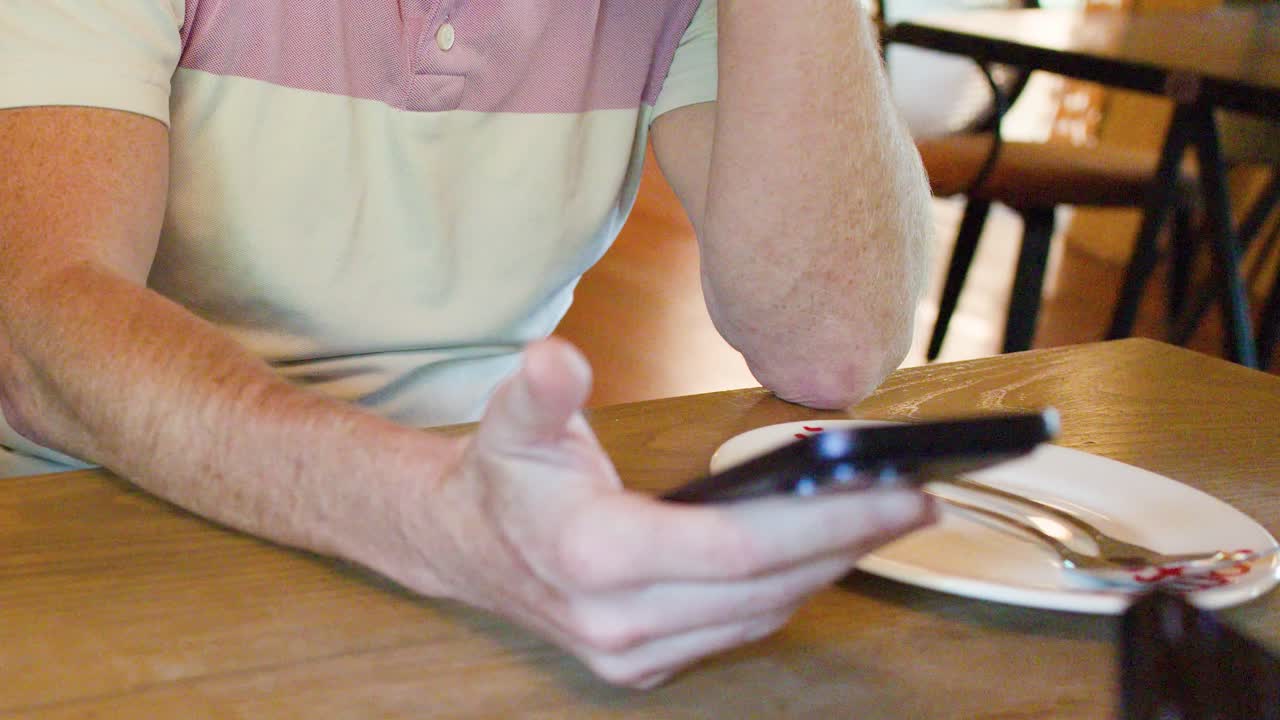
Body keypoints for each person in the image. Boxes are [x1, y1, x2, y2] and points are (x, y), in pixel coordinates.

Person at [0, 0, 935, 687]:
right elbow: (38, 328)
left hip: (456, 562)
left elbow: (830, 342)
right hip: (84, 530)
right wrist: (434, 518)